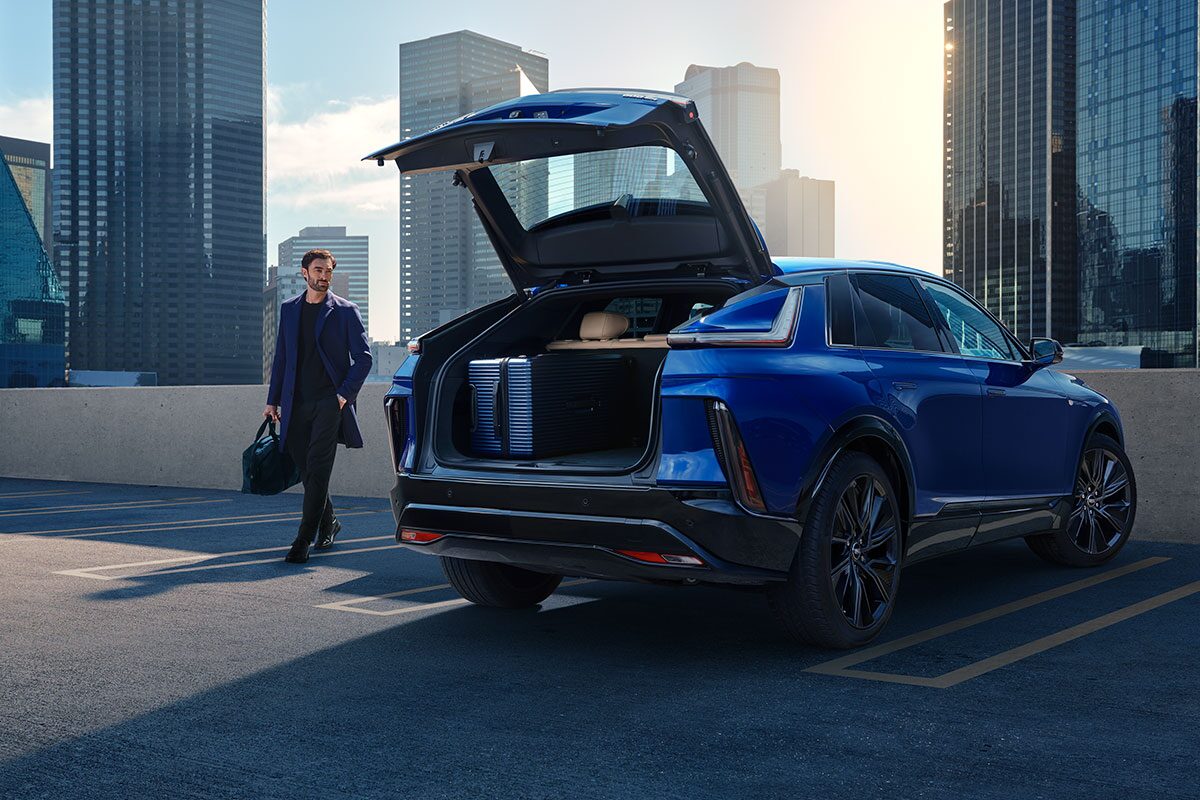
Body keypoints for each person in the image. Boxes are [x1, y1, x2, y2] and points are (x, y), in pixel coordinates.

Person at [264, 249, 372, 563]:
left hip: (329, 403)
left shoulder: (345, 311)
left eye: (328, 271)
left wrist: (343, 395)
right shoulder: (289, 309)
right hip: (294, 403)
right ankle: (330, 522)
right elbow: (281, 358)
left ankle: (303, 540)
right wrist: (272, 400)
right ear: (304, 273)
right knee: (308, 470)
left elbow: (363, 359)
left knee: (319, 469)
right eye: (318, 270)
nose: (324, 276)